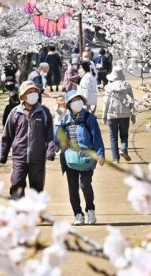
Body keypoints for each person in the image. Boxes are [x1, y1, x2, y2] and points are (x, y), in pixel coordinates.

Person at [0, 81, 56, 198]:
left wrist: (50, 150)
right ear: (24, 96)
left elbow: (50, 135)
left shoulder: (44, 112)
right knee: (16, 186)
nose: (34, 94)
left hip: (38, 159)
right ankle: (18, 213)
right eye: (30, 92)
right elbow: (7, 135)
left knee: (37, 190)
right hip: (19, 158)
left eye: (35, 91)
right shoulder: (15, 113)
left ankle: (34, 214)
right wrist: (3, 155)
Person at [57, 90, 105, 226]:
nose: (77, 102)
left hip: (86, 158)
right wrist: (58, 118)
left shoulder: (89, 118)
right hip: (69, 159)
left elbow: (97, 137)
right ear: (68, 104)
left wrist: (100, 153)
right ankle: (77, 214)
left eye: (79, 99)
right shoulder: (65, 119)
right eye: (73, 100)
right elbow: (57, 136)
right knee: (72, 188)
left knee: (85, 185)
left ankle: (90, 210)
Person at [102, 65, 137, 163]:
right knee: (124, 135)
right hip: (125, 114)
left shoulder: (109, 87)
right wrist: (133, 115)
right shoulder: (127, 85)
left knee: (113, 137)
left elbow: (106, 102)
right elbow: (131, 101)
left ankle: (115, 159)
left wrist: (104, 116)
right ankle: (124, 149)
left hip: (112, 114)